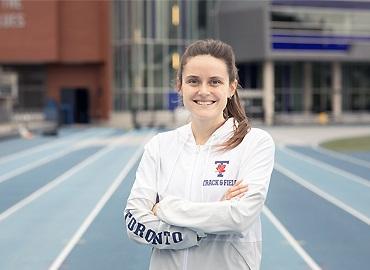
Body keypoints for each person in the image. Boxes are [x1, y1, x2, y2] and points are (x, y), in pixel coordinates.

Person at [124, 39, 275, 270]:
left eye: (215, 82)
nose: (204, 91)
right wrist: (197, 231)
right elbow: (134, 222)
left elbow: (239, 217)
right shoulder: (160, 146)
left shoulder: (254, 143)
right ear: (180, 86)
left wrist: (165, 209)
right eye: (193, 81)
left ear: (231, 87)